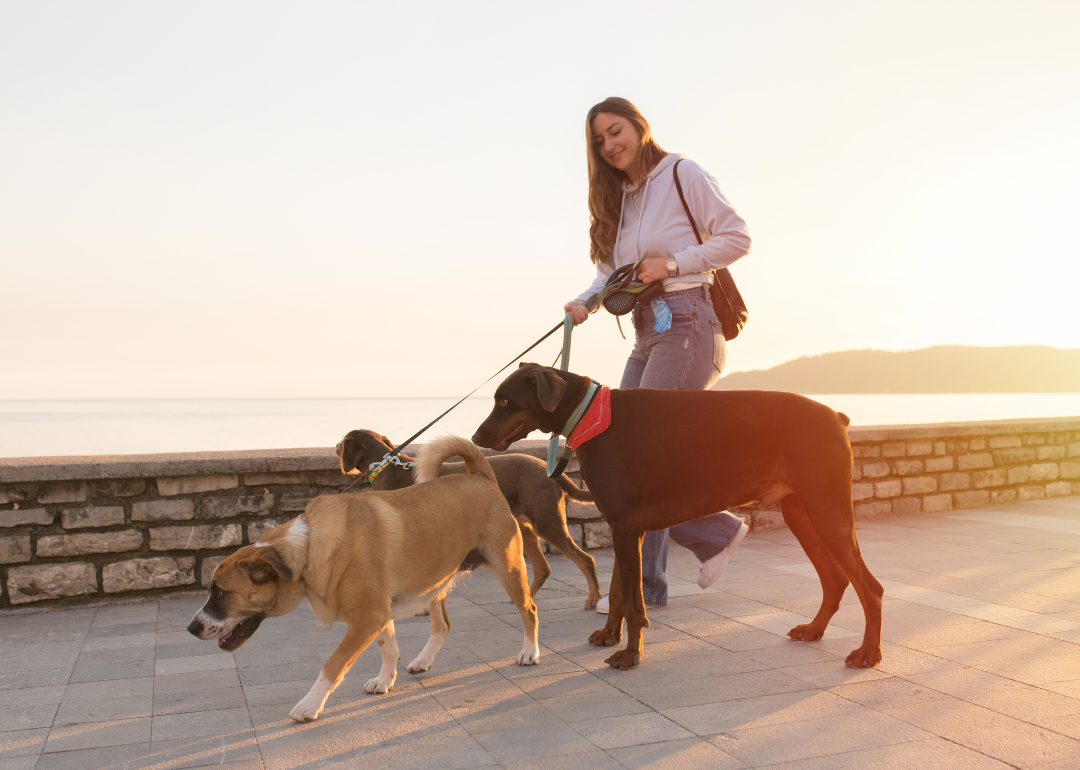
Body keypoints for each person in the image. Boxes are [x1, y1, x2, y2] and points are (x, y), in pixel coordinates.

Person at [564, 97, 751, 612]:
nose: (609, 145)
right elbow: (609, 275)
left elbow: (738, 237)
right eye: (599, 141)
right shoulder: (618, 199)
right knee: (625, 449)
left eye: (616, 131)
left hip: (690, 322)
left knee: (640, 456)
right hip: (647, 328)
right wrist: (583, 303)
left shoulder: (681, 173)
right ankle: (657, 578)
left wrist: (672, 263)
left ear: (640, 127)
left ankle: (689, 552)